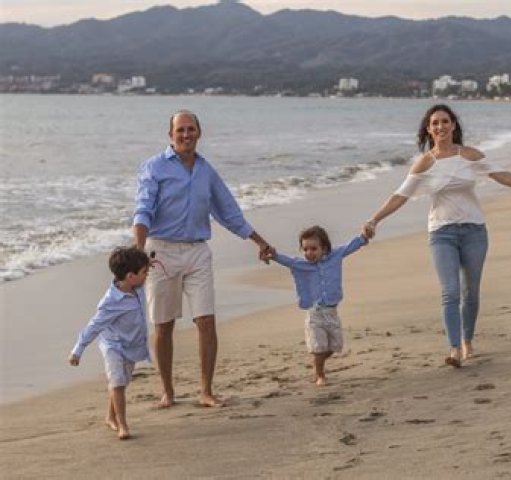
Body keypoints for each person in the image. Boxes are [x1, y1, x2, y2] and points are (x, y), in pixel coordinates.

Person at [361, 104, 511, 367]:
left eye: (444, 121)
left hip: (474, 232)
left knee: (470, 292)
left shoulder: (469, 155)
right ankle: (454, 349)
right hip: (442, 233)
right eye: (435, 123)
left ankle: (467, 341)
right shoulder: (424, 163)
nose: (440, 126)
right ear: (429, 129)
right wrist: (374, 219)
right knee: (450, 292)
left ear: (453, 125)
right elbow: (400, 195)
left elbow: (501, 175)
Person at [133, 110, 274, 408]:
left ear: (199, 133)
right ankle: (168, 392)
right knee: (163, 325)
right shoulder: (154, 167)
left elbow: (229, 212)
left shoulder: (206, 171)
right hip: (161, 251)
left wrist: (260, 242)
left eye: (191, 129)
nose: (186, 135)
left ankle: (206, 391)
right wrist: (138, 250)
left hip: (197, 251)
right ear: (170, 135)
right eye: (180, 130)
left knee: (206, 320)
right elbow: (143, 210)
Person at [266, 225, 368, 386]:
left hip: (332, 313)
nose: (309, 253)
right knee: (319, 347)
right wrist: (273, 255)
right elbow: (286, 260)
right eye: (305, 249)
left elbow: (350, 246)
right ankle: (320, 375)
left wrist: (363, 237)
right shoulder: (301, 264)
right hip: (314, 314)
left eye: (313, 249)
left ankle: (316, 361)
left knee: (335, 346)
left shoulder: (335, 256)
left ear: (324, 248)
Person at [68, 247, 151, 440]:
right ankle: (122, 424)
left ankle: (110, 416)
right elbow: (94, 325)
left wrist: (146, 264)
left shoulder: (137, 288)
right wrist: (77, 350)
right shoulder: (111, 302)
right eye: (144, 272)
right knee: (117, 382)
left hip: (130, 345)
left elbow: (142, 272)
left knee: (122, 382)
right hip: (113, 345)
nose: (147, 275)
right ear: (130, 276)